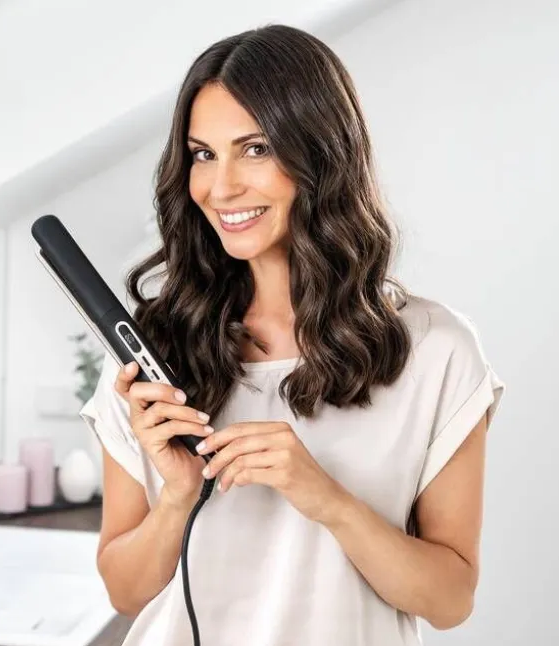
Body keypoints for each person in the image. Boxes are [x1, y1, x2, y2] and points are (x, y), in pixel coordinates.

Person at [79, 23, 505, 646]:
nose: (221, 187)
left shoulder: (435, 351)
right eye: (203, 154)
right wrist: (177, 496)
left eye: (255, 149)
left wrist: (326, 498)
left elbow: (449, 600)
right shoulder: (154, 353)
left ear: (321, 155)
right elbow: (125, 592)